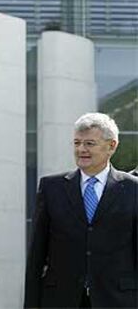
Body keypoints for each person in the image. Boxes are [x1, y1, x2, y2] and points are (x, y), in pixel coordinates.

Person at [24, 112, 138, 308]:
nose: (81, 149)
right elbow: (36, 256)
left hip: (118, 300)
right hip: (61, 300)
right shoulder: (51, 188)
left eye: (89, 144)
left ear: (112, 146)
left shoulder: (133, 189)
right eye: (77, 143)